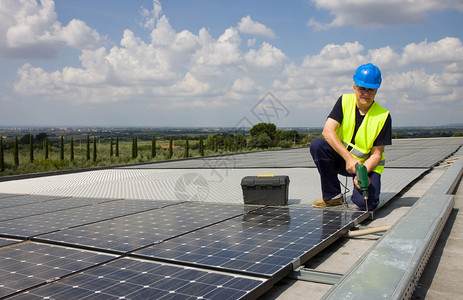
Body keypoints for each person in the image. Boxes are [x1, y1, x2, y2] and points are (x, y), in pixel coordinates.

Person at [310, 63, 392, 210]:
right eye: (362, 88)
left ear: (377, 90)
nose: (366, 93)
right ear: (354, 88)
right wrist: (348, 159)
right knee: (317, 145)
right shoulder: (344, 101)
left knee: (366, 204)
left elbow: (377, 154)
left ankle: (364, 195)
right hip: (343, 161)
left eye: (371, 89)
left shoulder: (383, 116)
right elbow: (328, 131)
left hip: (367, 166)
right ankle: (333, 196)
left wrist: (362, 173)